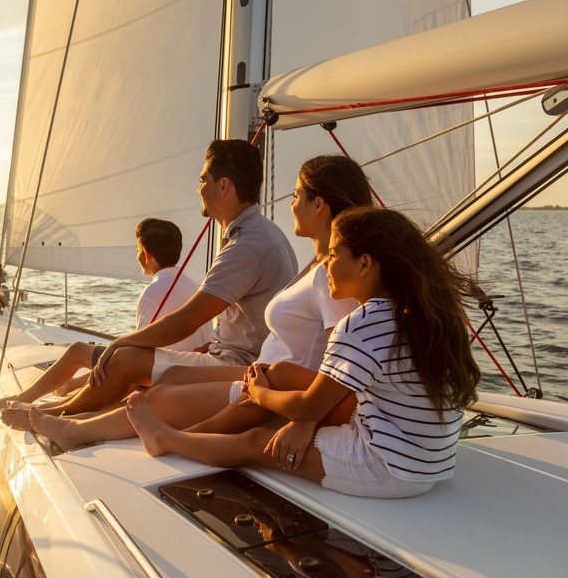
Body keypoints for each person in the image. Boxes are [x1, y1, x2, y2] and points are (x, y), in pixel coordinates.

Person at [128, 206, 482, 498]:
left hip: (388, 467)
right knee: (285, 374)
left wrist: (262, 394)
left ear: (364, 264)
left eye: (333, 254)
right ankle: (199, 432)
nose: (325, 265)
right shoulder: (420, 313)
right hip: (430, 461)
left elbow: (310, 406)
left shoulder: (362, 324)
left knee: (255, 442)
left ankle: (166, 439)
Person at [29, 155, 372, 450]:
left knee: (156, 393)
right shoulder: (315, 265)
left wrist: (305, 418)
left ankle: (74, 429)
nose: (290, 203)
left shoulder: (330, 275)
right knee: (172, 377)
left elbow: (339, 360)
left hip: (276, 388)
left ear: (318, 205)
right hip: (263, 373)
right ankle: (82, 418)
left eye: (297, 194)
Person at [11, 139, 297, 422]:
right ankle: (54, 412)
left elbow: (187, 320)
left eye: (203, 180)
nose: (198, 189)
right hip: (242, 359)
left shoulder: (246, 245)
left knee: (125, 358)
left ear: (223, 186)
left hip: (239, 367)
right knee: (134, 359)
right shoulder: (263, 234)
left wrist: (119, 343)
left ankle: (54, 417)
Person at [0, 217, 211, 409]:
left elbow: (134, 355)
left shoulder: (153, 292)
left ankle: (24, 398)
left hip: (159, 372)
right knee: (107, 355)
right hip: (188, 369)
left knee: (77, 350)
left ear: (146, 254)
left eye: (137, 251)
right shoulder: (194, 286)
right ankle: (70, 385)